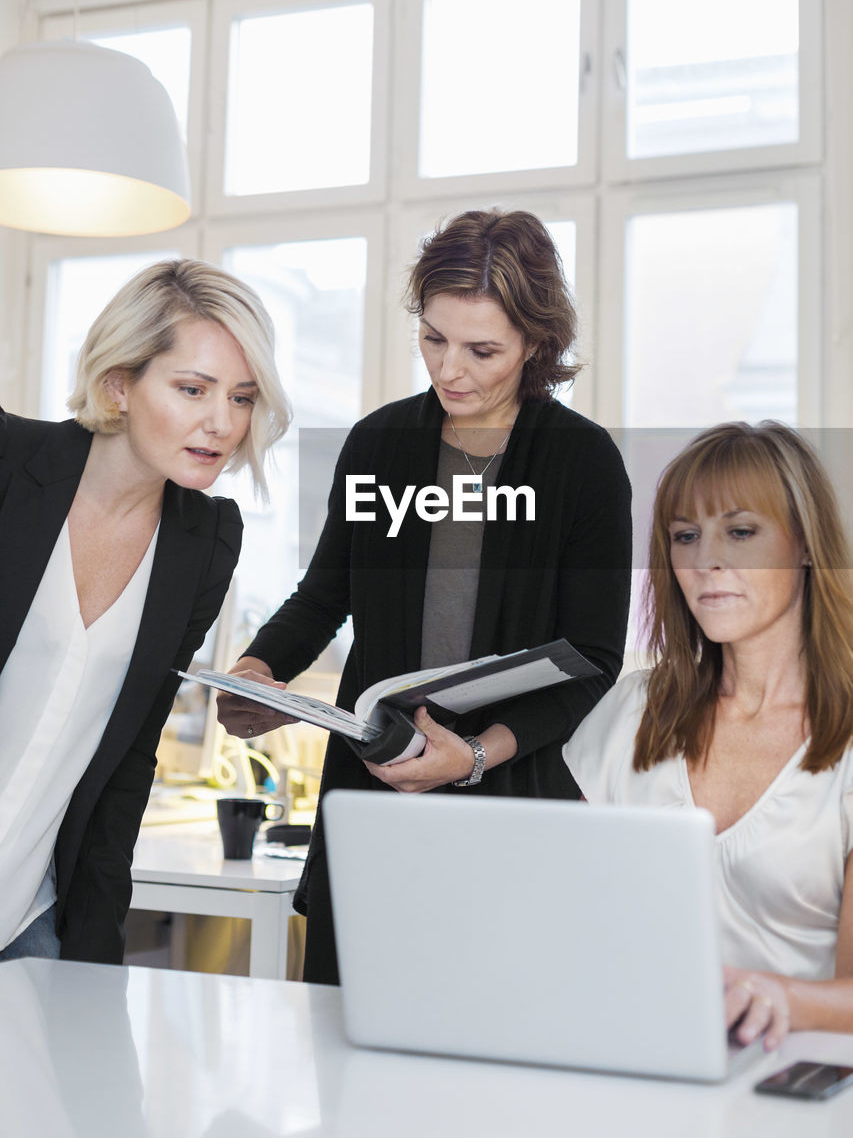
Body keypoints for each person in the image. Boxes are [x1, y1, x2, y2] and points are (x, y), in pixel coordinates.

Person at [218, 208, 632, 984]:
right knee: (343, 1047)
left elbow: (594, 659)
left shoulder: (583, 463)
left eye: (483, 350)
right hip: (372, 792)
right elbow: (324, 594)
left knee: (492, 1047)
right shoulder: (378, 444)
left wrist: (472, 754)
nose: (450, 371)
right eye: (433, 337)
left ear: (536, 344)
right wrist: (255, 669)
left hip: (509, 797)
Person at [0, 258, 291, 964]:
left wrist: (95, 957)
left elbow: (128, 761)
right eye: (193, 388)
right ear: (118, 385)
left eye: (243, 398)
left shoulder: (207, 540)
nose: (221, 423)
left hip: (27, 919)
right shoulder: (9, 461)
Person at [564, 421, 853, 1049]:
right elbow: (567, 919)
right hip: (635, 1061)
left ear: (805, 543)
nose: (706, 561)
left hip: (800, 1088)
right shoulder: (633, 712)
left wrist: (777, 998)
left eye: (741, 532)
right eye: (685, 537)